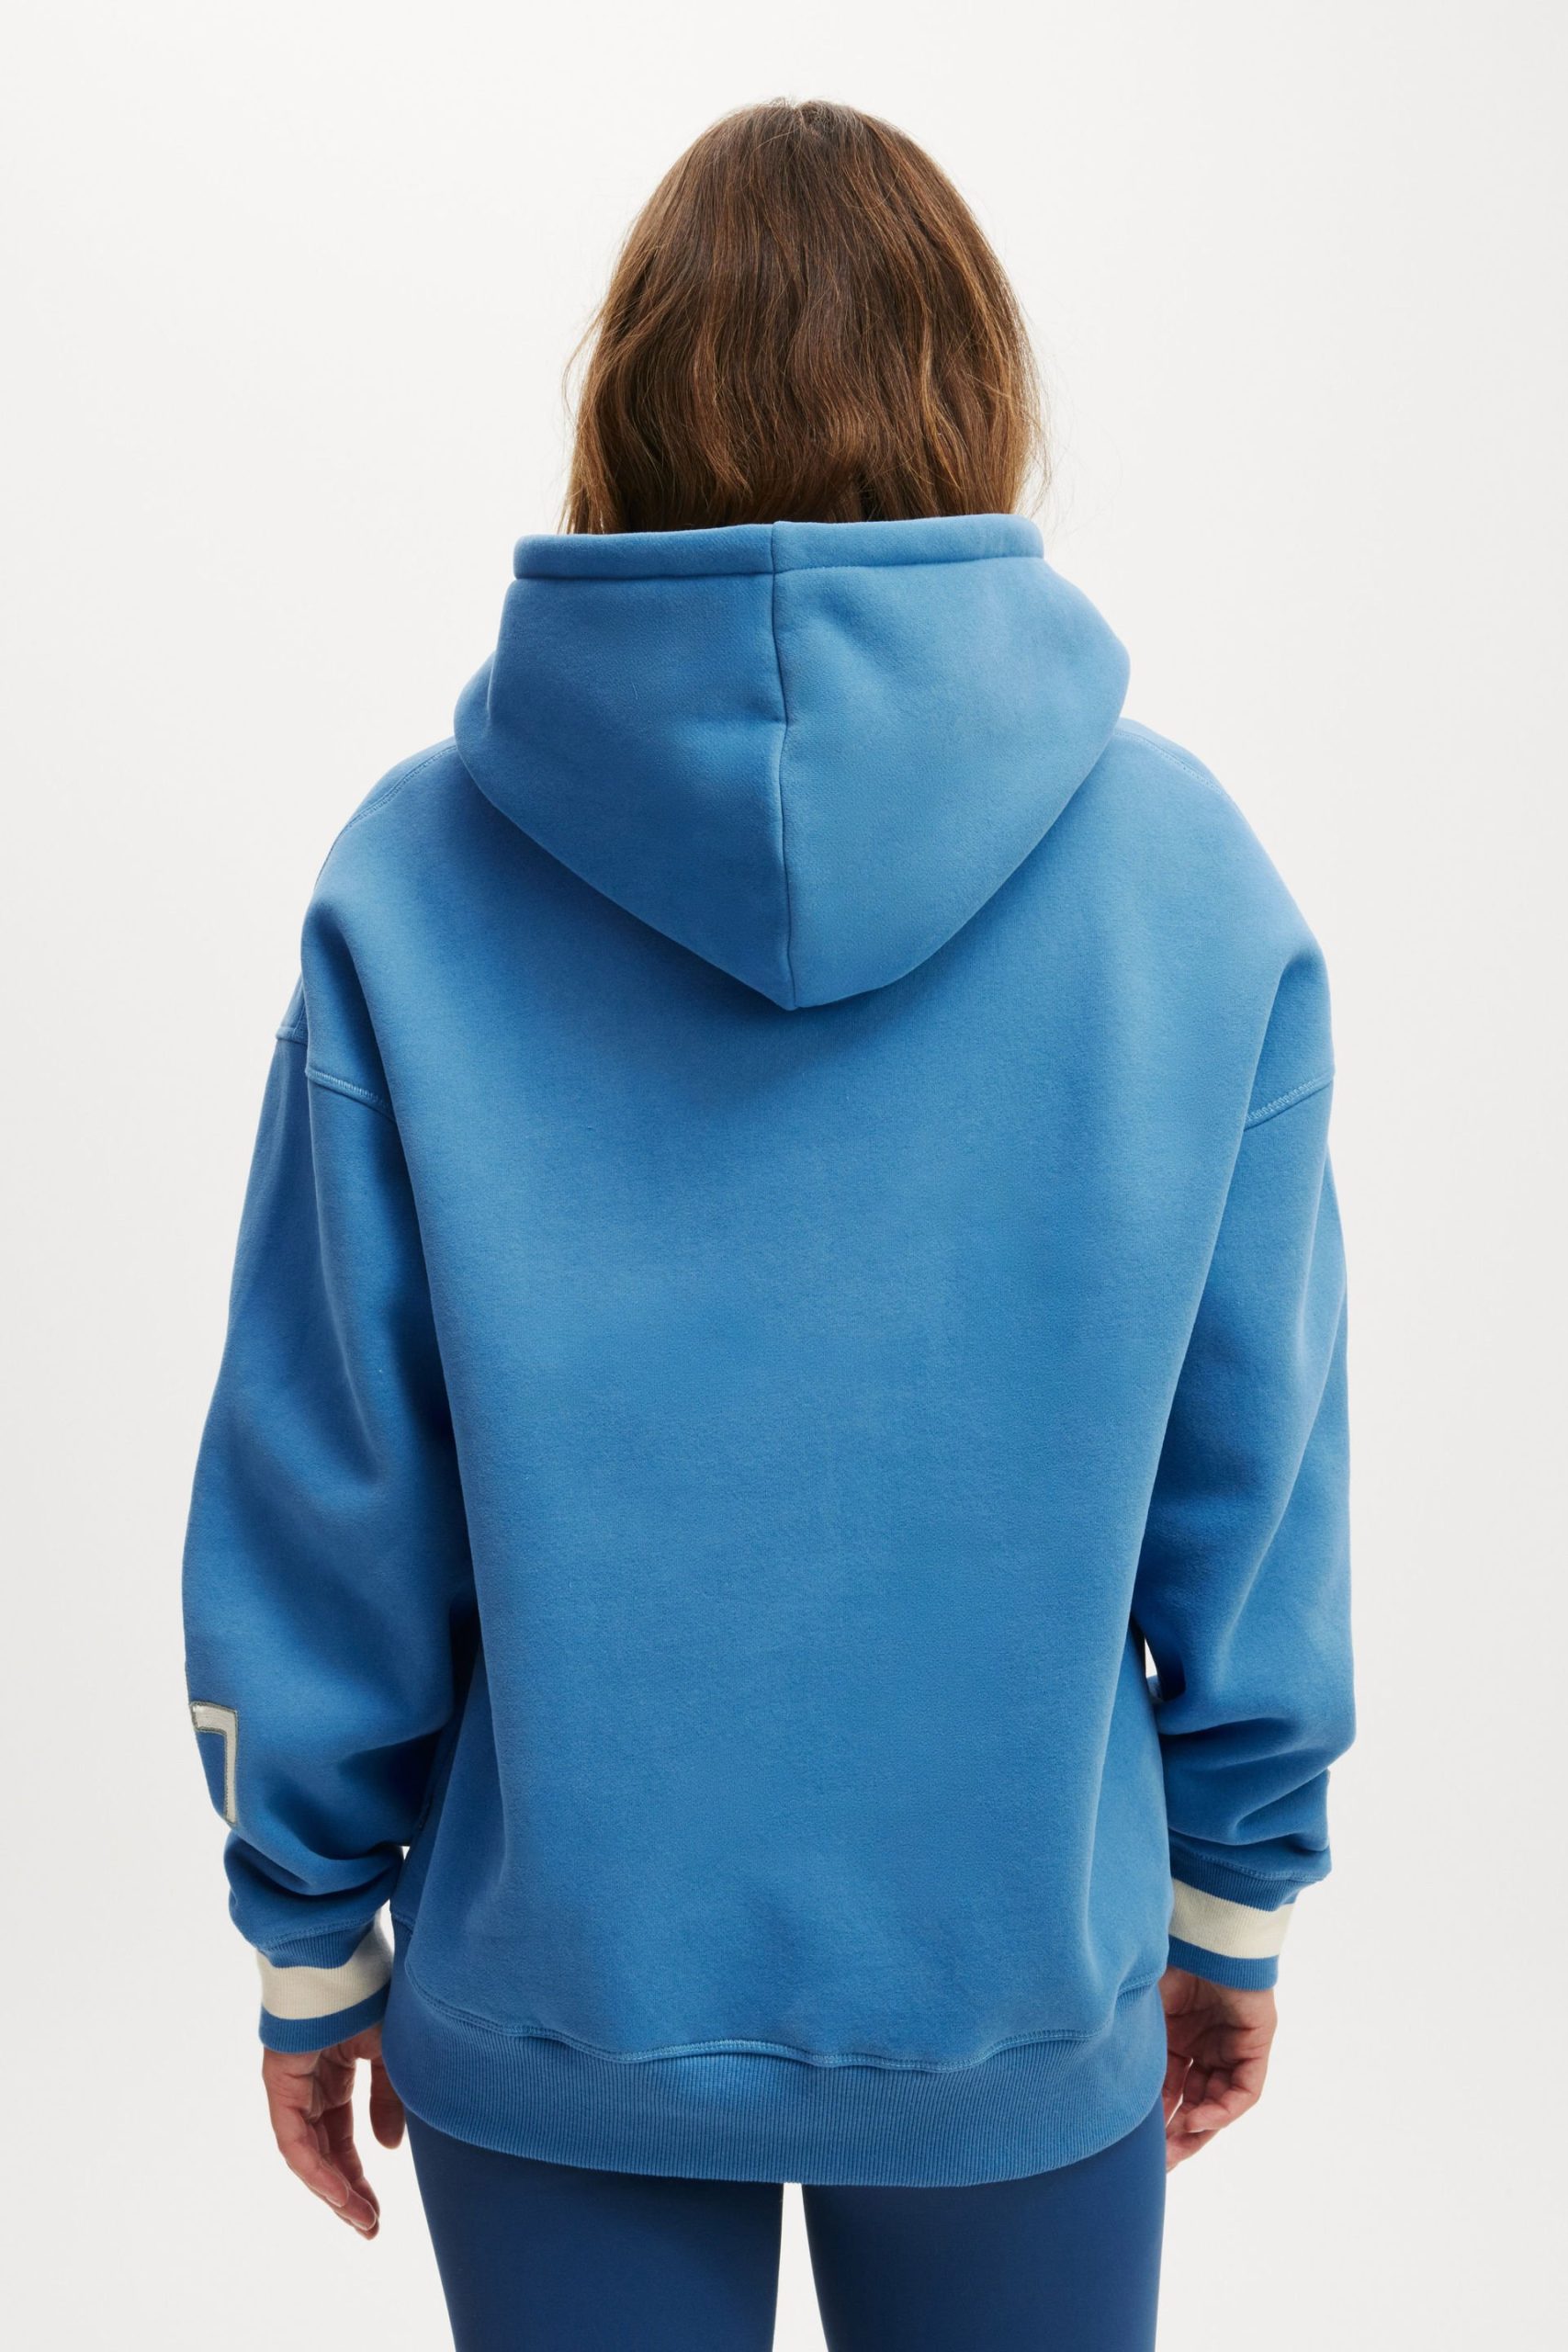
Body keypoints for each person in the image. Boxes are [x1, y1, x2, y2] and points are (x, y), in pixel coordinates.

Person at [184, 98, 1354, 2351]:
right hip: (1019, 1985)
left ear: (622, 406)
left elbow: (327, 1483)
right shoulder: (1183, 885)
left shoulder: (415, 883)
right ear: (977, 397)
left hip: (557, 1998)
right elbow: (1257, 1464)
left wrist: (309, 1930)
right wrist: (1231, 1890)